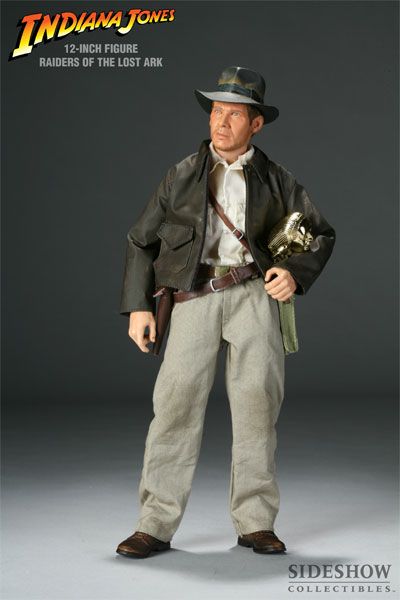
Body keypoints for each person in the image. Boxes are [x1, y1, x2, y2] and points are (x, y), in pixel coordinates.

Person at [116, 66, 336, 559]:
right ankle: (154, 523)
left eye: (234, 115)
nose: (221, 122)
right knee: (174, 405)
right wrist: (137, 307)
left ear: (256, 124)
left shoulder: (276, 178)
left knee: (258, 406)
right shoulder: (181, 174)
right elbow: (140, 240)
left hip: (255, 297)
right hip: (192, 295)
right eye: (216, 111)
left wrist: (293, 273)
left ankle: (256, 522)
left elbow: (320, 234)